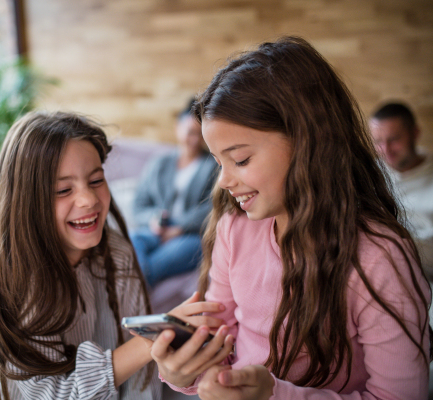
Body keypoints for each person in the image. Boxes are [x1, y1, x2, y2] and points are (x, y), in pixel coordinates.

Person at [150, 37, 431, 399]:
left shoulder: (378, 256)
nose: (223, 181)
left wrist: (275, 395)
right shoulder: (233, 229)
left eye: (241, 160)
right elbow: (220, 353)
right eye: (218, 162)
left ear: (307, 142)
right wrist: (185, 371)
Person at [0, 111, 230, 400]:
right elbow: (54, 394)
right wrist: (151, 341)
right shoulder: (20, 278)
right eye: (63, 189)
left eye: (96, 180)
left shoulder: (117, 254)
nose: (88, 199)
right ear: (26, 201)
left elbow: (142, 382)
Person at [131, 100, 218, 287]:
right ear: (178, 127)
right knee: (133, 239)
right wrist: (154, 220)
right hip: (157, 229)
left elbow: (214, 206)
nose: (195, 140)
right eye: (190, 132)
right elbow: (139, 204)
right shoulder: (159, 163)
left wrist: (180, 228)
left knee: (152, 266)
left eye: (200, 134)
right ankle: (135, 294)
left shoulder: (212, 165)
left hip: (191, 235)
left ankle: (132, 292)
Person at [369, 102, 433, 280]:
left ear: (415, 134)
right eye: (378, 142)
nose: (386, 150)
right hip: (376, 273)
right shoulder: (370, 174)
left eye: (394, 139)